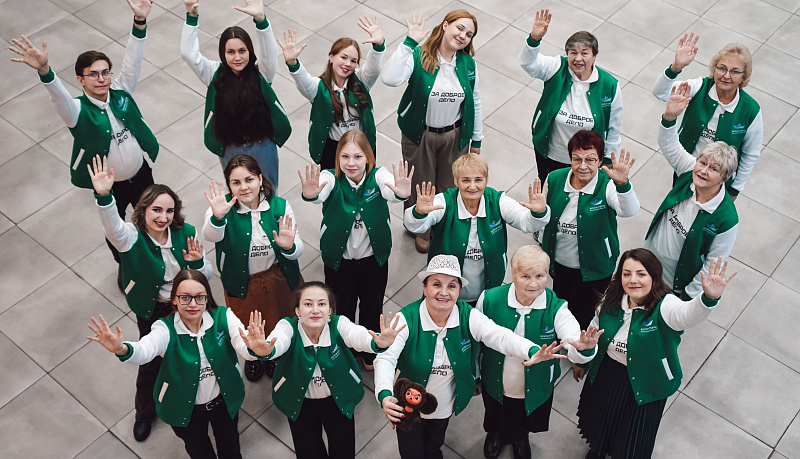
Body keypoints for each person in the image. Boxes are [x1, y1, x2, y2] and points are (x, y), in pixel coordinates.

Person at [9, 0, 159, 287]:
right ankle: (125, 264)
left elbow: (133, 61)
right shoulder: (77, 111)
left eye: (105, 72)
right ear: (81, 79)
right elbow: (58, 97)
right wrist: (45, 71)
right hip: (110, 186)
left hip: (141, 174)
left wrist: (140, 22)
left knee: (154, 218)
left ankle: (155, 259)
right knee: (115, 230)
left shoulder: (121, 92)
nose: (102, 79)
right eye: (94, 74)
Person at [375, 254, 567, 459]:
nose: (444, 292)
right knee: (410, 451)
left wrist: (531, 350)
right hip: (407, 404)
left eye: (451, 286)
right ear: (424, 287)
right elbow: (386, 358)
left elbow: (500, 336)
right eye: (436, 284)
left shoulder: (468, 316)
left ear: (459, 290)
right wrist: (384, 394)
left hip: (443, 405)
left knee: (434, 442)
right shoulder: (406, 318)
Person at [88, 155, 212, 442]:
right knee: (152, 362)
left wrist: (197, 264)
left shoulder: (187, 233)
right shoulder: (131, 236)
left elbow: (205, 275)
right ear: (142, 210)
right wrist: (104, 196)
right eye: (156, 209)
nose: (162, 217)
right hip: (153, 310)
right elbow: (112, 228)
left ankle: (202, 398)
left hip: (188, 306)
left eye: (169, 211)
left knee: (199, 353)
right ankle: (145, 413)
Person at [87, 269, 271, 458]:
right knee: (198, 450)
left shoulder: (223, 316)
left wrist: (255, 349)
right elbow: (145, 350)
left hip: (224, 401)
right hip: (185, 409)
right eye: (185, 298)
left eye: (199, 297)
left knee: (230, 444)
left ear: (207, 298)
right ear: (174, 299)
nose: (193, 304)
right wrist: (122, 349)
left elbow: (243, 343)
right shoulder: (164, 329)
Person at [576, 249, 736, 459]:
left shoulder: (666, 306)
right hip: (609, 373)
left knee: (630, 436)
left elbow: (687, 314)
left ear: (654, 276)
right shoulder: (611, 299)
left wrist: (708, 298)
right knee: (602, 418)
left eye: (641, 274)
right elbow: (592, 331)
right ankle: (599, 448)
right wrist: (582, 355)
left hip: (646, 384)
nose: (633, 280)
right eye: (627, 274)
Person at [298, 130, 412, 370]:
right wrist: (312, 194)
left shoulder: (378, 175)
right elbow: (319, 192)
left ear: (368, 157)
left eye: (358, 157)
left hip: (373, 262)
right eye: (345, 156)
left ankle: (370, 351)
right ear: (337, 158)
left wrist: (400, 193)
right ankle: (347, 351)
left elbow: (391, 190)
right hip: (339, 264)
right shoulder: (330, 178)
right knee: (342, 309)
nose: (351, 163)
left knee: (373, 307)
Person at [477, 245, 601, 459]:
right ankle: (494, 434)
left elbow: (571, 338)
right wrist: (475, 374)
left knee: (525, 417)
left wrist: (583, 349)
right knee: (494, 411)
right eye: (525, 276)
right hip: (496, 379)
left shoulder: (556, 307)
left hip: (535, 383)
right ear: (513, 274)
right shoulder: (489, 299)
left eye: (540, 276)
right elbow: (476, 340)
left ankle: (520, 438)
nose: (533, 284)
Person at [255, 281, 405, 459]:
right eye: (308, 304)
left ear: (330, 311)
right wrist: (266, 350)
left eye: (322, 304)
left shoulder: (338, 324)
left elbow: (356, 334)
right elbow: (278, 341)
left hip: (337, 399)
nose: (315, 310)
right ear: (297, 311)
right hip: (300, 402)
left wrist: (375, 342)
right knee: (308, 451)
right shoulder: (287, 326)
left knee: (343, 449)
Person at [381, 10, 483, 253]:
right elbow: (389, 78)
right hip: (420, 135)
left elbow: (475, 101)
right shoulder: (419, 56)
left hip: (455, 136)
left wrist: (476, 139)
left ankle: (440, 225)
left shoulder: (468, 64)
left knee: (449, 187)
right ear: (445, 25)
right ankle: (420, 229)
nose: (463, 36)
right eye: (459, 28)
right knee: (420, 185)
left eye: (469, 34)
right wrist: (409, 43)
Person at [202, 154, 303, 381]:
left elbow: (298, 250)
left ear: (260, 179)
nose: (244, 187)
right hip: (242, 283)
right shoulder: (222, 207)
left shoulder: (280, 206)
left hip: (278, 278)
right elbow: (210, 235)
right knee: (247, 324)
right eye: (236, 182)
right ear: (229, 186)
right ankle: (253, 357)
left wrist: (289, 247)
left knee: (279, 318)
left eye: (249, 180)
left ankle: (275, 354)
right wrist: (217, 217)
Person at [404, 153, 550, 305]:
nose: (472, 186)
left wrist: (539, 212)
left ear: (487, 179)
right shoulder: (444, 202)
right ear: (456, 181)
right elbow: (414, 225)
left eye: (478, 180)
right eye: (466, 180)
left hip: (487, 295)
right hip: (445, 296)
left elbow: (527, 223)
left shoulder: (497, 201)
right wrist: (419, 213)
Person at [181, 0, 291, 189]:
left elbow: (270, 53)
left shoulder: (261, 72)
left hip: (262, 146)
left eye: (242, 51)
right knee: (238, 195)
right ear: (223, 54)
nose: (237, 57)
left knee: (269, 193)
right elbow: (188, 54)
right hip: (231, 149)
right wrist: (191, 17)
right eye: (231, 52)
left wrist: (261, 20)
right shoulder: (213, 73)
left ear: (249, 51)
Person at [645, 83, 739, 300]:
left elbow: (712, 265)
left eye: (714, 169)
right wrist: (669, 117)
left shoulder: (726, 219)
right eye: (703, 162)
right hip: (646, 266)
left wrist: (686, 299)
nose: (703, 171)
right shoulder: (689, 171)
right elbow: (669, 145)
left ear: (724, 178)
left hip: (671, 288)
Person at [541, 130, 639, 330]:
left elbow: (629, 210)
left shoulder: (607, 184)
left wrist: (622, 184)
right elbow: (544, 217)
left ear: (600, 160)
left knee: (585, 314)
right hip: (560, 264)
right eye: (577, 159)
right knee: (560, 309)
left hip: (595, 268)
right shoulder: (555, 178)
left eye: (590, 159)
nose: (583, 166)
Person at [651, 33, 761, 199]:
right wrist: (676, 67)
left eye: (735, 71)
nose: (726, 75)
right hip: (686, 169)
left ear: (743, 77)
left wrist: (734, 190)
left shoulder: (750, 110)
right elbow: (660, 92)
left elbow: (750, 154)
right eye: (722, 68)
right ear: (714, 68)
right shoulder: (700, 87)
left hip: (719, 183)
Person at [519, 9, 623, 184]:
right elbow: (528, 64)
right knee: (549, 189)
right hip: (551, 154)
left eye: (584, 53)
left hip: (586, 161)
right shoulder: (557, 68)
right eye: (573, 52)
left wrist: (607, 161)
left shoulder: (609, 85)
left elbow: (614, 128)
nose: (578, 58)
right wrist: (534, 39)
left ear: (594, 56)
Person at [277, 17, 385, 169]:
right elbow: (302, 80)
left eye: (353, 61)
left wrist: (378, 45)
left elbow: (373, 68)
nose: (347, 64)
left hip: (361, 148)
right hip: (332, 150)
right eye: (343, 57)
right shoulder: (318, 87)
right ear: (331, 57)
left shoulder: (362, 81)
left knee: (363, 183)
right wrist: (292, 62)